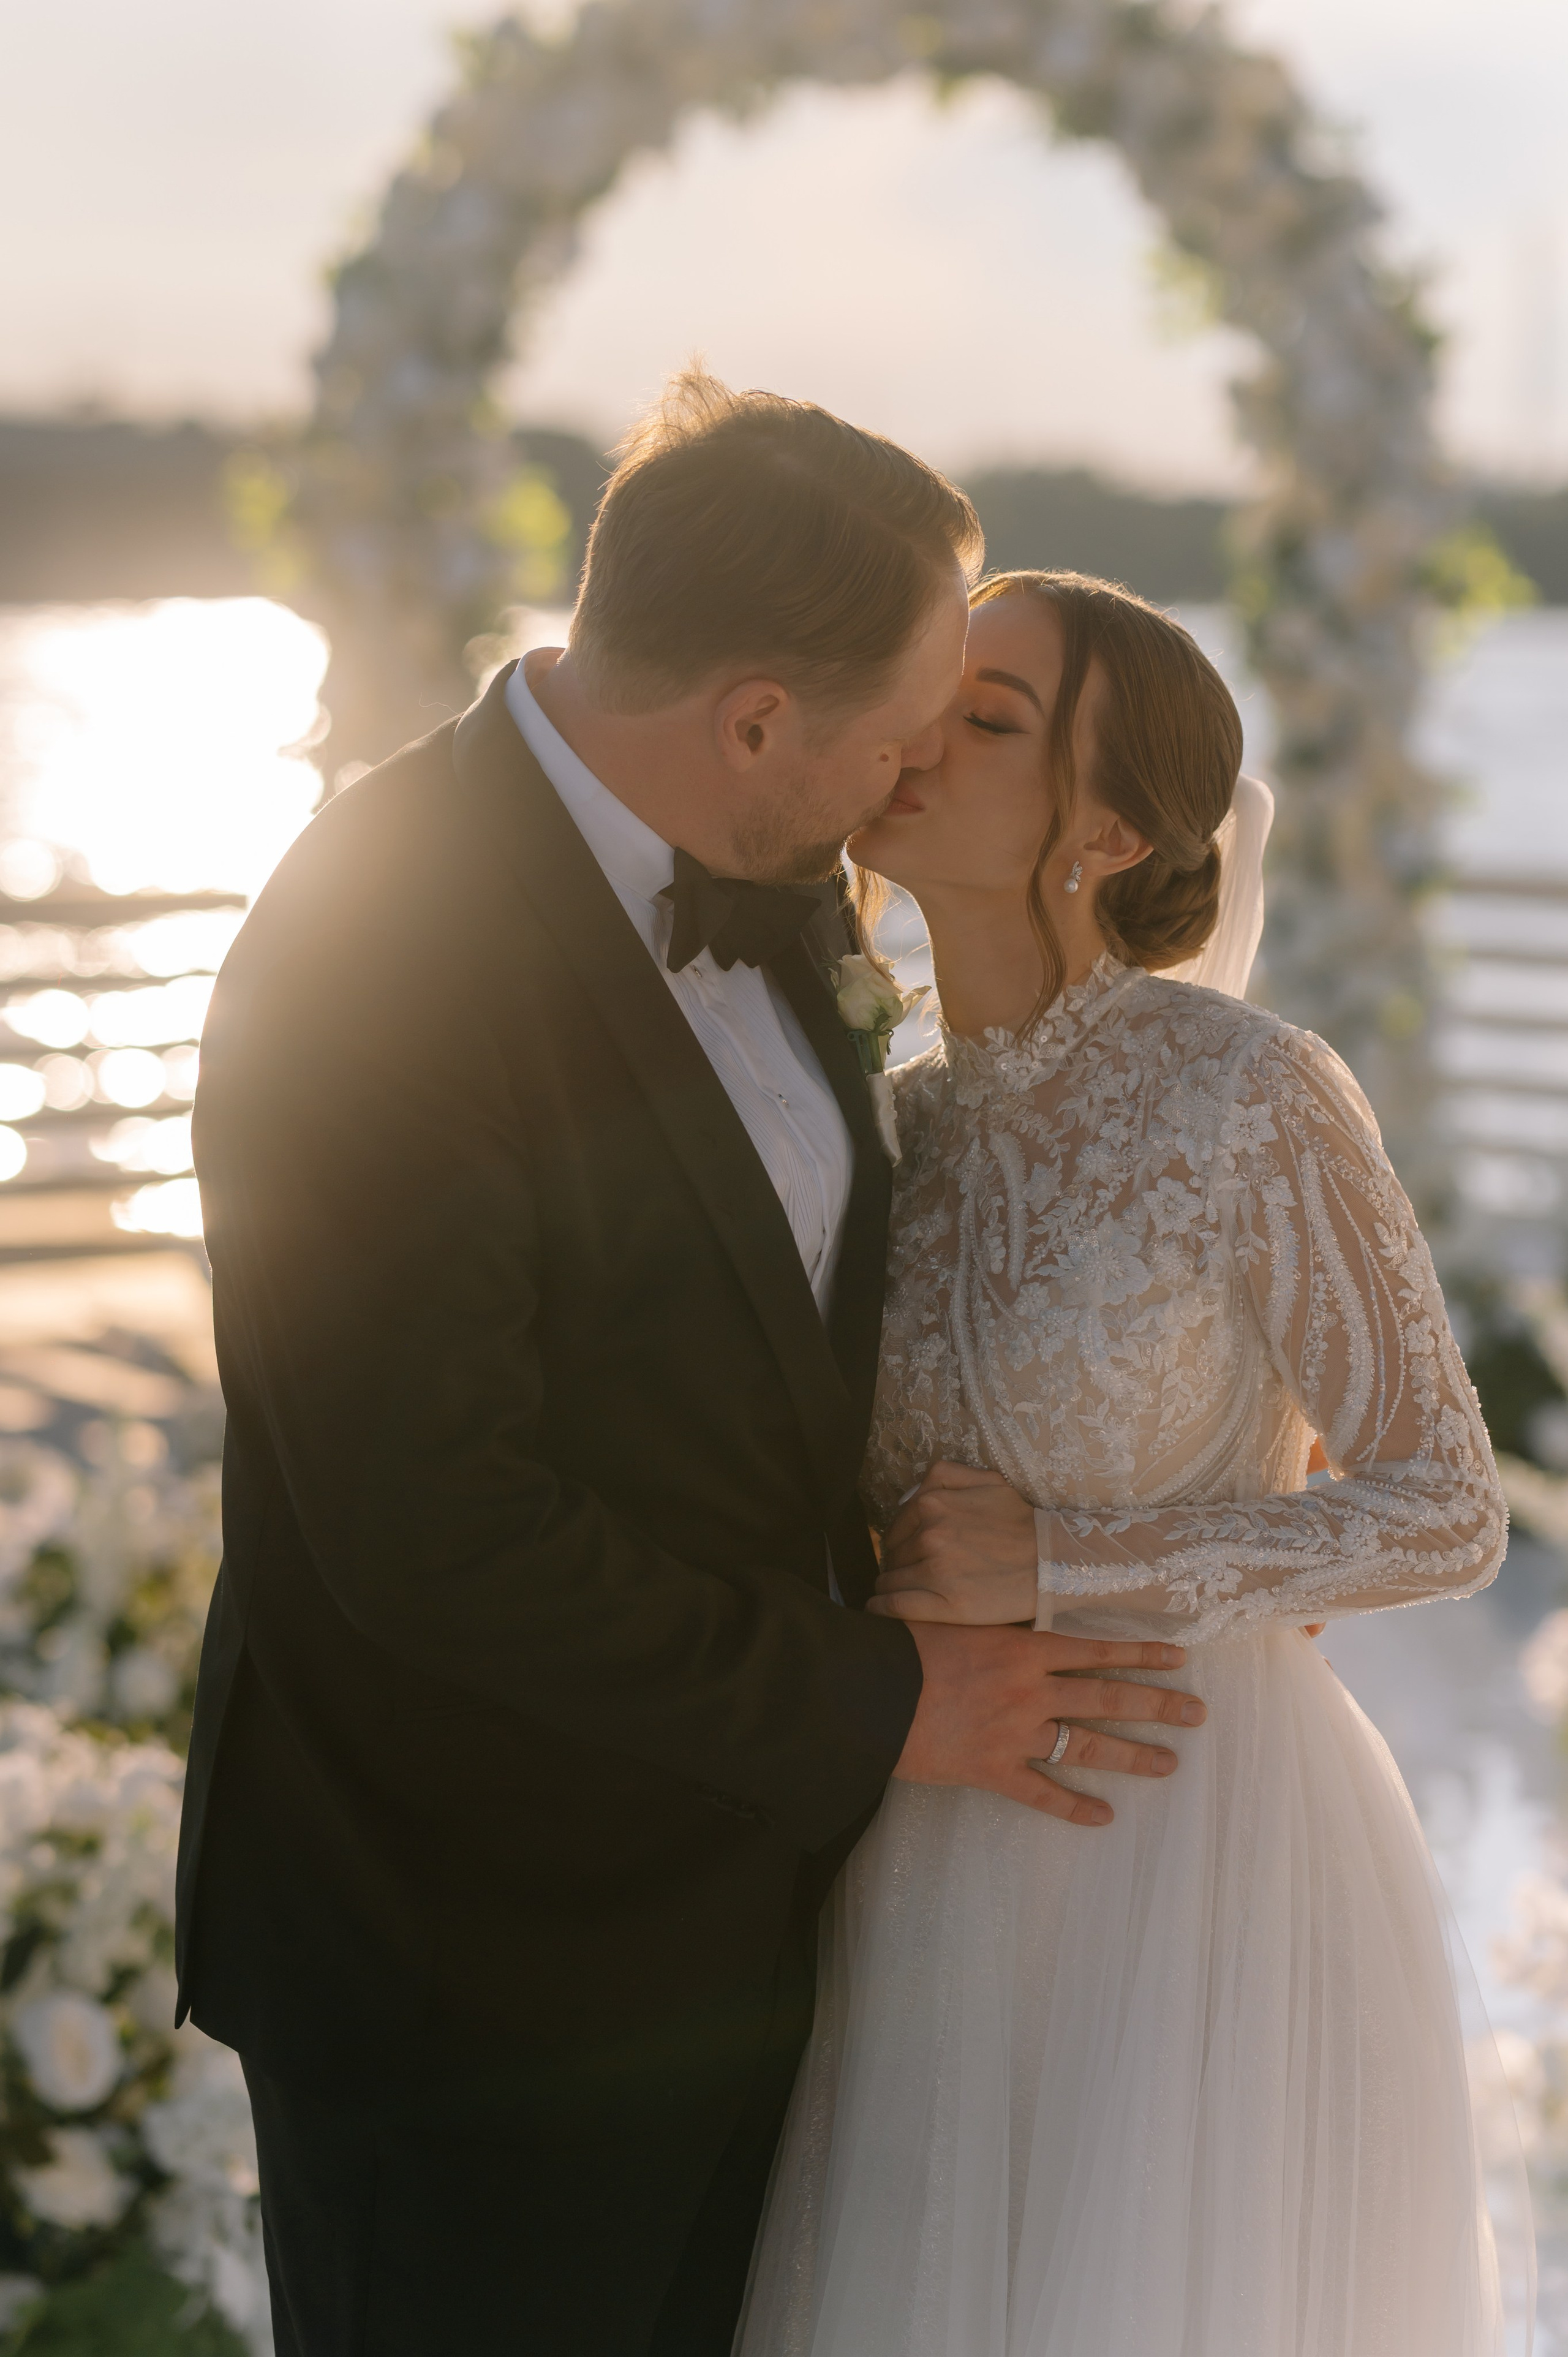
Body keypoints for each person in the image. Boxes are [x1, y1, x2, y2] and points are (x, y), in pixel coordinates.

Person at [176, 383, 1205, 2356]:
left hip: (754, 1924)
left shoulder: (774, 877)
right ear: (752, 721)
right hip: (470, 1971)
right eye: (896, 743)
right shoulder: (371, 946)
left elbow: (778, 1338)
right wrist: (884, 1703)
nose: (904, 791)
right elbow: (430, 1529)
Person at [736, 570, 1520, 2356]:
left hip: (1198, 1853)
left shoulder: (1251, 1093)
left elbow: (1447, 1501)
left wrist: (1074, 1560)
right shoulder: (895, 1122)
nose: (921, 739)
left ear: (1107, 828)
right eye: (931, 697)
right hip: (934, 1843)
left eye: (990, 720)